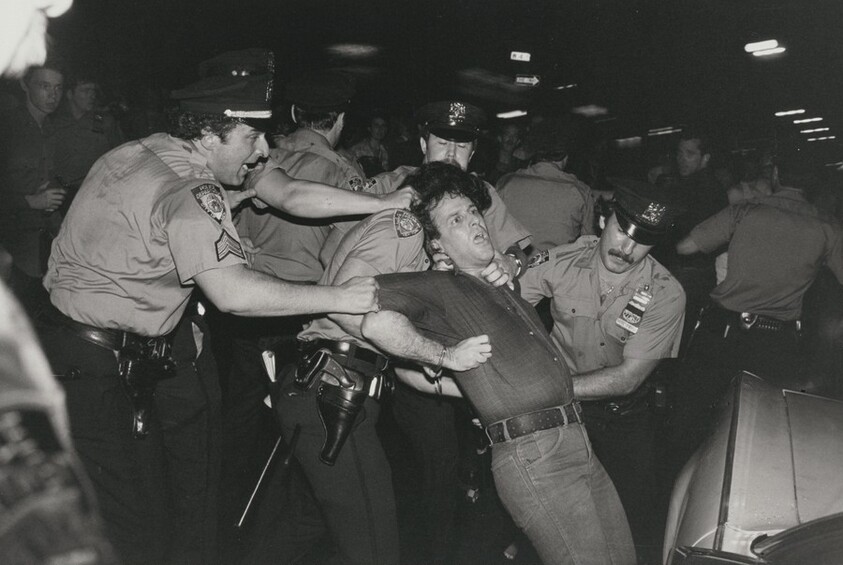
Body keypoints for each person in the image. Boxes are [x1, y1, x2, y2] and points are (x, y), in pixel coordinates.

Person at [36, 50, 386, 565]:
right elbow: (233, 293)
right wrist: (338, 298)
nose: (263, 151)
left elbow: (277, 195)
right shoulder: (193, 190)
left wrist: (381, 204)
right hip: (106, 366)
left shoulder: (135, 150)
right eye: (250, 138)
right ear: (209, 134)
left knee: (151, 496)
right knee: (138, 521)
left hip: (76, 347)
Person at [357, 166, 637, 565]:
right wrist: (444, 357)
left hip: (577, 440)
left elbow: (531, 258)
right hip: (536, 455)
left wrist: (510, 264)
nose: (474, 221)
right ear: (436, 246)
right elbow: (375, 321)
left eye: (474, 212)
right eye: (456, 219)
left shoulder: (501, 283)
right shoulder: (437, 286)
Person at [344, 100, 532, 563]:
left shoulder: (482, 194)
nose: (451, 152)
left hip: (473, 343)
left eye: (462, 144)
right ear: (424, 142)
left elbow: (527, 249)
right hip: (408, 350)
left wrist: (511, 261)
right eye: (442, 141)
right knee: (432, 465)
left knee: (482, 461)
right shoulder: (392, 186)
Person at [519, 178, 686, 561]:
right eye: (622, 231)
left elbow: (627, 379)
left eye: (642, 240)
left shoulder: (665, 292)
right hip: (560, 416)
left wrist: (543, 388)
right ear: (602, 219)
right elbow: (503, 310)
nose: (627, 249)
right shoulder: (559, 261)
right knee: (549, 527)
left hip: (622, 422)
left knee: (624, 533)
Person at [670, 149, 843, 465]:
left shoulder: (744, 211)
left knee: (690, 422)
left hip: (719, 334)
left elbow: (686, 246)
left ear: (776, 174)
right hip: (776, 345)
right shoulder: (828, 228)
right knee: (762, 434)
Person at [0, 59, 66, 312]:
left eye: (58, 87)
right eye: (44, 86)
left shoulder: (50, 129)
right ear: (24, 85)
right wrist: (30, 201)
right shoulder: (7, 127)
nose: (53, 95)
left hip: (37, 247)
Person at [497, 114, 594, 253]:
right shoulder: (581, 192)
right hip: (555, 273)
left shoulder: (506, 183)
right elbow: (588, 249)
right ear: (567, 155)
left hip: (512, 271)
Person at [53, 69, 125, 189]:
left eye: (93, 91)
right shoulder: (54, 122)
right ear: (70, 94)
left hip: (95, 191)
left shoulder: (104, 121)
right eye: (85, 90)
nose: (92, 95)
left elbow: (122, 154)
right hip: (61, 192)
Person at [348, 109, 389, 175]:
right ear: (369, 128)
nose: (380, 129)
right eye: (376, 125)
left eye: (383, 125)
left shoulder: (385, 151)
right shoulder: (357, 149)